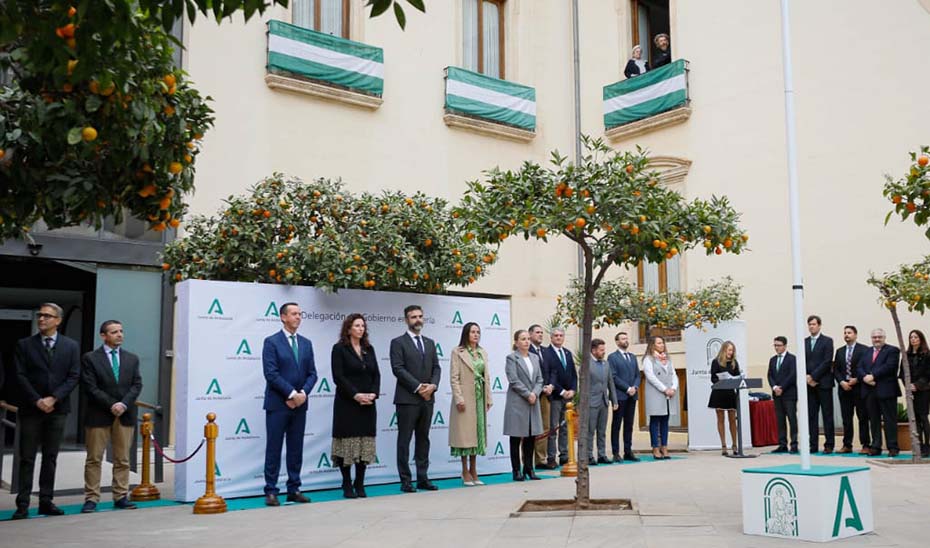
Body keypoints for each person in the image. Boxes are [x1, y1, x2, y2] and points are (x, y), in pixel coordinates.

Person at [11, 303, 80, 520]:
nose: (42, 319)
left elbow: (73, 376)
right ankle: (22, 504)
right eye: (40, 316)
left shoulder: (71, 346)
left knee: (50, 456)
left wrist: (54, 397)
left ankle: (46, 501)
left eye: (48, 316)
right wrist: (37, 400)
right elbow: (19, 375)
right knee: (27, 457)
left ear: (58, 320)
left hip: (58, 409)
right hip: (32, 408)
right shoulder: (24, 345)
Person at [80, 320, 143, 513]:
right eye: (114, 332)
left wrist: (123, 404)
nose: (120, 335)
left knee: (122, 459)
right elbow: (90, 386)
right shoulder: (90, 358)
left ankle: (121, 496)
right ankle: (92, 498)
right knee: (94, 458)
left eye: (121, 331)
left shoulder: (132, 359)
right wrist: (111, 404)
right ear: (103, 335)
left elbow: (136, 385)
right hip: (99, 414)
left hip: (125, 414)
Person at [261, 302, 318, 506]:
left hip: (300, 405)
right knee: (274, 448)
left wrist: (302, 394)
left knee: (296, 449)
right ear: (283, 317)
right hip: (278, 404)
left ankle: (294, 488)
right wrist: (292, 393)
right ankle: (271, 491)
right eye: (294, 314)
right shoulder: (271, 342)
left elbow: (313, 373)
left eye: (300, 314)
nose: (298, 317)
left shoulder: (306, 343)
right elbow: (271, 374)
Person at [390, 305, 441, 493]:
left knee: (423, 439)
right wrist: (419, 387)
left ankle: (422, 478)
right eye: (413, 317)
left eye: (420, 316)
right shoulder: (398, 342)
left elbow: (437, 368)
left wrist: (433, 386)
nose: (418, 320)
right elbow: (398, 368)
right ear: (406, 320)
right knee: (404, 440)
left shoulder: (429, 342)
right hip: (407, 399)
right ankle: (405, 480)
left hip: (428, 399)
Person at [331, 314, 380, 499]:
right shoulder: (339, 349)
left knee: (364, 445)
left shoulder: (369, 349)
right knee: (348, 445)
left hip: (368, 404)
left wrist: (373, 394)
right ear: (348, 328)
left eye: (362, 326)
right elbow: (339, 377)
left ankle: (359, 482)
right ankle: (346, 483)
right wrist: (355, 395)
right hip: (347, 404)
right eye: (356, 325)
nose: (360, 328)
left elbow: (377, 375)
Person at [448, 322, 492, 486]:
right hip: (465, 399)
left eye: (478, 332)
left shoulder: (482, 353)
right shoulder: (457, 352)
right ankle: (464, 470)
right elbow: (454, 378)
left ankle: (474, 470)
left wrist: (488, 398)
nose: (475, 335)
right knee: (464, 436)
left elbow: (486, 377)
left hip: (479, 398)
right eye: (472, 332)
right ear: (466, 333)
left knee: (477, 434)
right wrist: (459, 398)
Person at [503, 329, 543, 481]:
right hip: (518, 402)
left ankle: (529, 468)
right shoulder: (512, 358)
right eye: (523, 339)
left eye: (527, 339)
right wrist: (528, 394)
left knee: (531, 437)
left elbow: (540, 379)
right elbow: (513, 380)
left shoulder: (535, 357)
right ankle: (516, 470)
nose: (526, 341)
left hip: (533, 401)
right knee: (516, 437)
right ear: (516, 342)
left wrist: (535, 393)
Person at [859, 328, 901, 456]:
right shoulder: (866, 351)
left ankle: (893, 447)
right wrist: (865, 378)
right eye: (874, 337)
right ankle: (876, 447)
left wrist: (873, 376)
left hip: (886, 391)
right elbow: (859, 367)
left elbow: (890, 366)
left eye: (879, 337)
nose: (877, 339)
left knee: (890, 420)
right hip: (870, 391)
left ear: (884, 337)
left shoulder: (892, 350)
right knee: (874, 420)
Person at [833, 325, 870, 454]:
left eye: (849, 333)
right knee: (846, 419)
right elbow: (836, 369)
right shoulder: (839, 351)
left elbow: (866, 368)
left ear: (855, 334)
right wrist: (841, 381)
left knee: (863, 417)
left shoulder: (864, 350)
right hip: (844, 389)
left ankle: (865, 444)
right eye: (845, 333)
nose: (846, 335)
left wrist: (857, 379)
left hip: (859, 388)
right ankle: (847, 445)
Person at [543, 327, 576, 467]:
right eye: (556, 335)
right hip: (555, 397)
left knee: (565, 428)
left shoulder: (567, 353)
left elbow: (574, 374)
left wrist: (573, 390)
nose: (558, 338)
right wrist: (562, 391)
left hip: (568, 397)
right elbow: (549, 375)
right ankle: (551, 457)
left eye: (561, 335)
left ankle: (564, 455)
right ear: (551, 338)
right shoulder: (547, 353)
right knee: (553, 428)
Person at [642, 335, 678, 460]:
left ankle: (664, 447)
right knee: (655, 421)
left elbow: (674, 374)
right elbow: (651, 377)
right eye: (659, 343)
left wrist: (673, 387)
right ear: (652, 345)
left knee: (665, 421)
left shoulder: (667, 359)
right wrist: (664, 389)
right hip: (656, 394)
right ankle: (655, 448)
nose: (662, 345)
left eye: (662, 343)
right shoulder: (648, 359)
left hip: (668, 394)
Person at [804, 315, 835, 454]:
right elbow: (801, 360)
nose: (811, 326)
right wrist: (806, 377)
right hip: (808, 384)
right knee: (811, 415)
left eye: (814, 324)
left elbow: (827, 361)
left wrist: (814, 376)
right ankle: (813, 444)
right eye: (809, 324)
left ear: (819, 325)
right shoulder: (804, 342)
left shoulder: (827, 341)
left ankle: (829, 444)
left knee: (827, 414)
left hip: (823, 383)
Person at [608, 331, 640, 462]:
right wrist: (627, 388)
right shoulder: (612, 357)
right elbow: (613, 376)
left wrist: (635, 387)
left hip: (632, 396)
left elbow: (638, 374)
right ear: (617, 342)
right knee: (617, 424)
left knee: (629, 424)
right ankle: (616, 452)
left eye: (627, 338)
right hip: (620, 396)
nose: (625, 340)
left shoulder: (632, 357)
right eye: (622, 339)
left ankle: (628, 451)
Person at [587, 339, 618, 465]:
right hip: (591, 402)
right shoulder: (587, 364)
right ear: (593, 350)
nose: (603, 352)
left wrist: (614, 400)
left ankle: (602, 454)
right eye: (601, 350)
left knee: (602, 430)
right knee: (590, 430)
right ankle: (588, 455)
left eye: (604, 350)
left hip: (604, 402)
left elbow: (610, 382)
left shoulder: (606, 364)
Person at [707, 341, 741, 456]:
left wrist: (734, 379)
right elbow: (713, 378)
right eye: (729, 350)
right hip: (719, 393)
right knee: (720, 419)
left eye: (732, 350)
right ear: (724, 350)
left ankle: (735, 445)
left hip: (730, 393)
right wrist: (722, 380)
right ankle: (723, 445)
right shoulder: (716, 362)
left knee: (732, 419)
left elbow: (738, 377)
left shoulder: (734, 363)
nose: (731, 353)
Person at [527, 324, 553, 469]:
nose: (540, 335)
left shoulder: (546, 351)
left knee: (545, 426)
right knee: (530, 428)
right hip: (532, 394)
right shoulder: (526, 351)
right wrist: (539, 388)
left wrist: (551, 386)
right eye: (537, 332)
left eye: (542, 333)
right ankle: (528, 460)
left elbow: (552, 371)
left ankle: (541, 459)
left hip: (546, 395)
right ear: (530, 335)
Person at [768, 336, 798, 454]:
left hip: (789, 394)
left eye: (779, 345)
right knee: (780, 420)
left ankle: (794, 444)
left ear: (785, 346)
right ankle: (782, 444)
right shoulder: (773, 360)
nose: (776, 348)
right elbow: (770, 375)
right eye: (775, 345)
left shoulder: (792, 359)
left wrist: (782, 387)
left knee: (792, 419)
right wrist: (774, 387)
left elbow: (792, 374)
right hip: (777, 394)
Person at [902, 329, 930, 458]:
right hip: (910, 391)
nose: (913, 339)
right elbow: (902, 374)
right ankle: (918, 445)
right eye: (911, 337)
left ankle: (927, 446)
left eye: (916, 337)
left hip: (923, 390)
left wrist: (917, 385)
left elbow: (928, 374)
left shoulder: (927, 354)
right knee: (915, 419)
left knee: (923, 417)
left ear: (921, 339)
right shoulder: (906, 355)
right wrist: (908, 386)